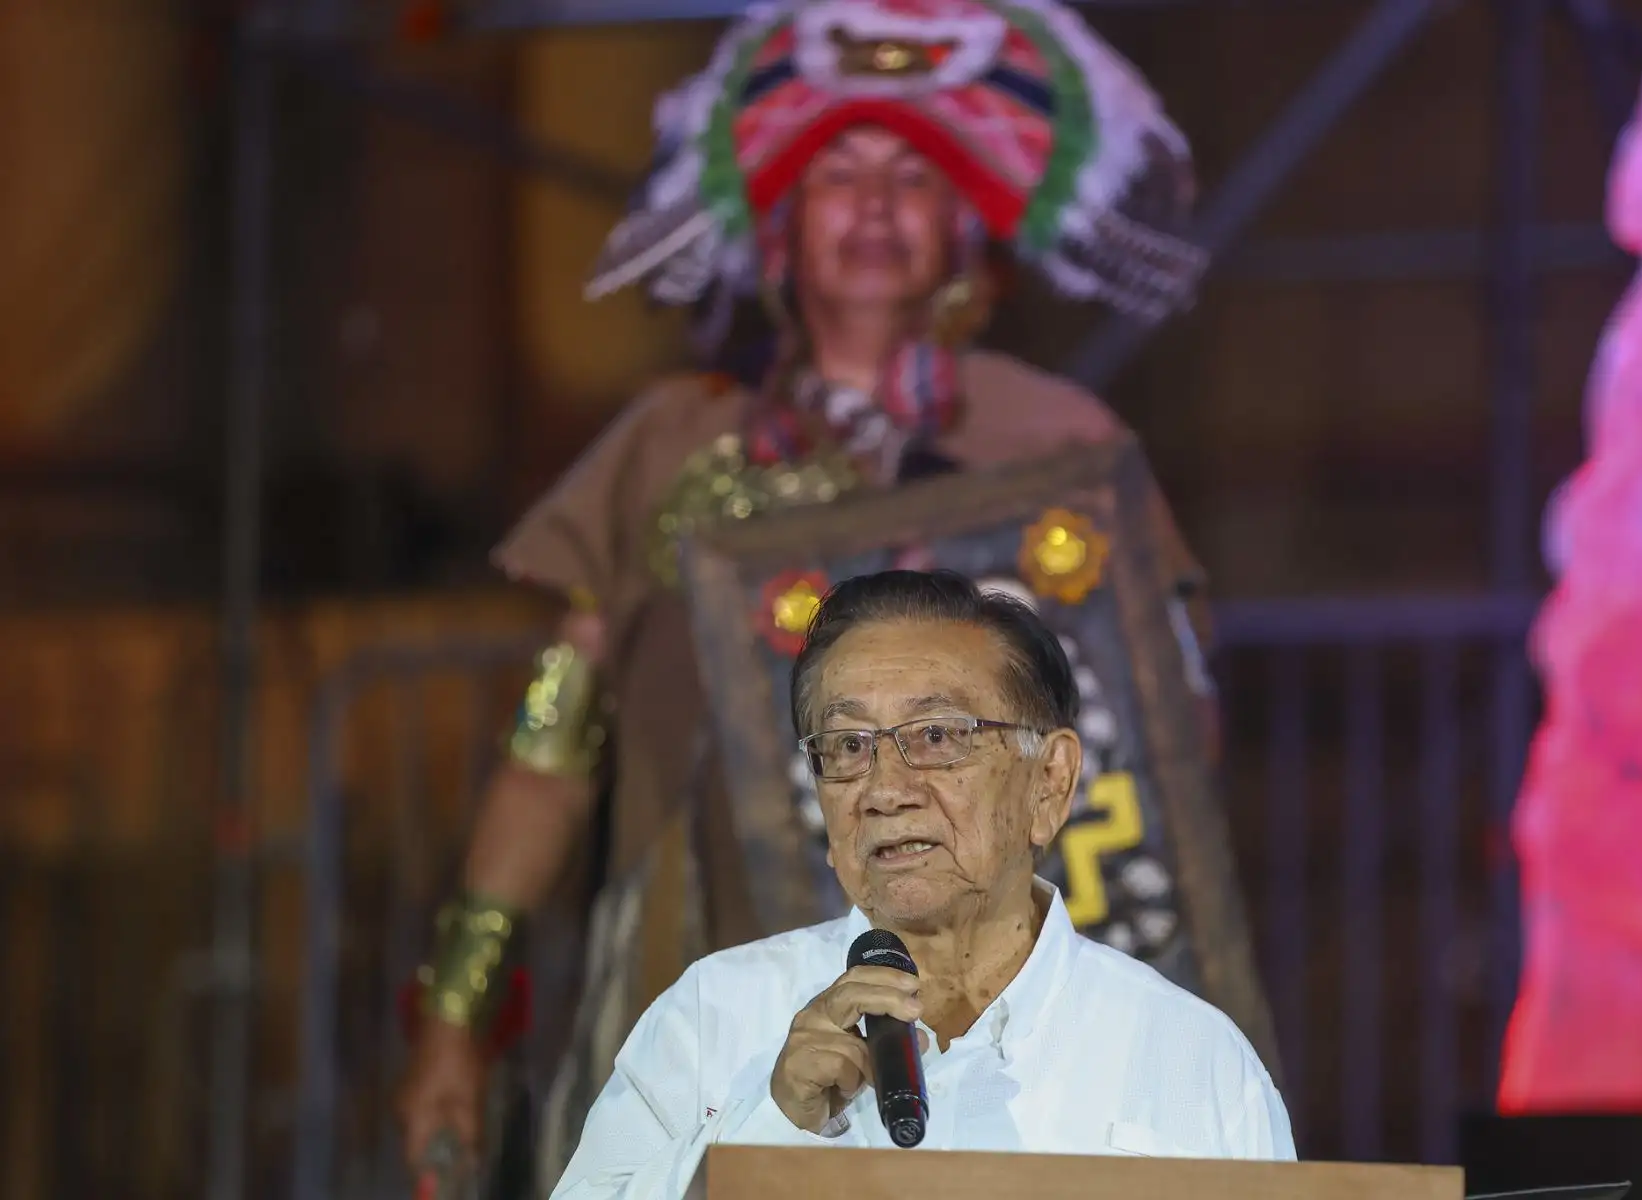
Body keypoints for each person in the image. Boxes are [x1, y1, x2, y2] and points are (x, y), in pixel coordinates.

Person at [396, 0, 1221, 1187]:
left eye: (913, 178)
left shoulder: (1056, 446)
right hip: (703, 973)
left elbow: (1167, 747)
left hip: (993, 1033)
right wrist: (454, 1012)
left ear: (965, 226)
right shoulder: (670, 449)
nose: (876, 209)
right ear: (779, 224)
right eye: (839, 175)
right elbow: (551, 749)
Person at [549, 571, 1293, 1200]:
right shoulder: (716, 1014)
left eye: (937, 737)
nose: (885, 789)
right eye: (847, 746)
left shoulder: (1190, 1056)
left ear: (1051, 782)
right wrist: (767, 1125)